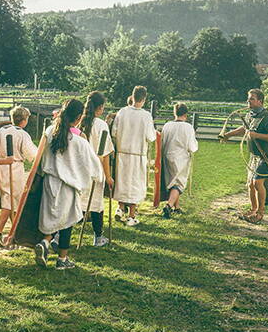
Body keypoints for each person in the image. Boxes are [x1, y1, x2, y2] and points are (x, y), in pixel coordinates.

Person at [34, 97, 102, 269]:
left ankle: (45, 242)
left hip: (50, 182)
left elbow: (39, 156)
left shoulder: (50, 132)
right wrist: (98, 176)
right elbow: (94, 165)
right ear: (79, 117)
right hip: (69, 186)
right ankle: (62, 260)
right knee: (67, 221)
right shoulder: (79, 142)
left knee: (53, 217)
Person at [220, 88, 268, 224]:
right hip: (254, 156)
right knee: (250, 185)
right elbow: (244, 129)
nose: (248, 101)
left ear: (260, 101)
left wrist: (256, 135)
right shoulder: (250, 115)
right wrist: (228, 135)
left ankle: (260, 213)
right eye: (248, 98)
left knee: (257, 183)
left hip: (267, 157)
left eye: (252, 99)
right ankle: (253, 210)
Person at [0, 106, 34, 245]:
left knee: (10, 198)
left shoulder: (2, 130)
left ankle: (15, 232)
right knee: (11, 199)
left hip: (1, 167)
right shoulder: (22, 134)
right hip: (15, 167)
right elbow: (32, 154)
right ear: (24, 120)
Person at [110, 85, 156, 227]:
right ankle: (131, 216)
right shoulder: (146, 116)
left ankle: (120, 208)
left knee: (123, 181)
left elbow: (114, 133)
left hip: (123, 153)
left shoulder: (122, 112)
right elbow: (151, 137)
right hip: (137, 154)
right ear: (144, 99)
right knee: (134, 184)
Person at [78, 90, 114, 246]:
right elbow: (105, 154)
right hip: (95, 169)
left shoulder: (79, 122)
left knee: (76, 201)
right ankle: (98, 237)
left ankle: (60, 236)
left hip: (79, 168)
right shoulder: (101, 125)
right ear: (100, 107)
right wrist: (108, 176)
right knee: (96, 203)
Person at [158, 102, 199, 219]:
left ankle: (177, 207)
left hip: (167, 156)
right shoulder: (188, 127)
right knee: (178, 184)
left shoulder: (167, 126)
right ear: (186, 114)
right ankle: (169, 206)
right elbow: (192, 147)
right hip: (181, 158)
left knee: (172, 182)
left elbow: (162, 142)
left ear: (174, 113)